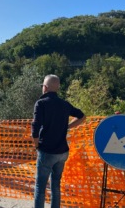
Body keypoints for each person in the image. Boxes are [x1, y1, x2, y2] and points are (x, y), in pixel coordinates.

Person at [31, 74, 86, 208]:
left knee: (40, 186)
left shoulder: (41, 103)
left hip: (47, 151)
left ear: (45, 87)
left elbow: (35, 127)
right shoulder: (64, 104)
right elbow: (82, 117)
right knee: (55, 185)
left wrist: (36, 145)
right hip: (62, 152)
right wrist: (67, 127)